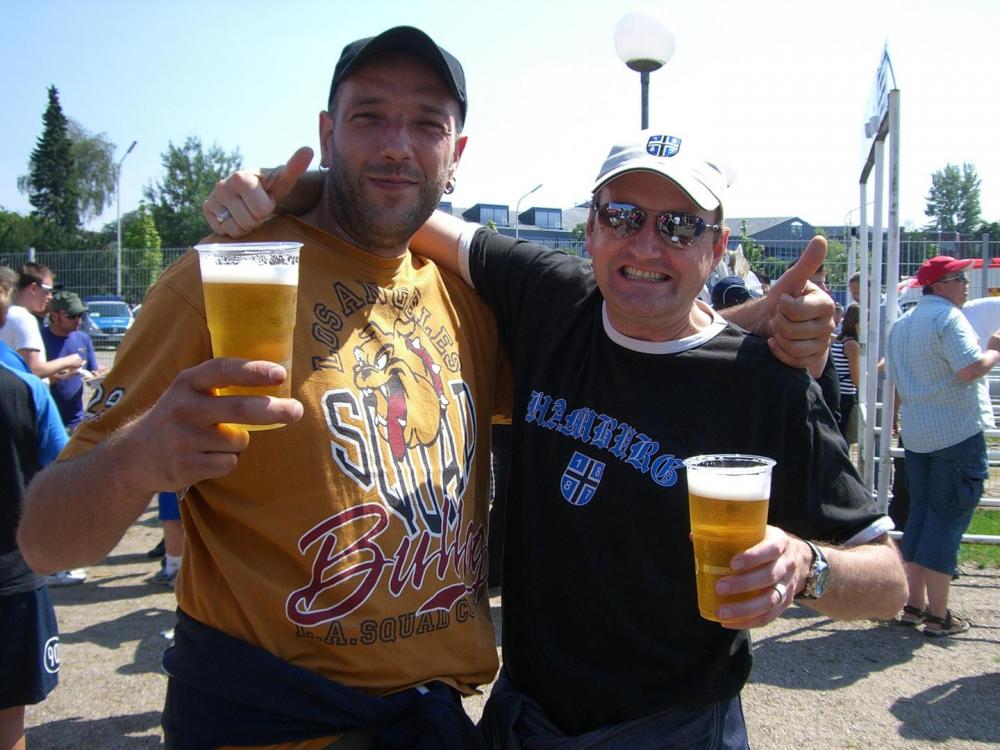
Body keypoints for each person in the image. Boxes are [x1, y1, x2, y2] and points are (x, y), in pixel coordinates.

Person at [23, 27, 834, 750]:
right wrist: (139, 461)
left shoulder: (465, 302)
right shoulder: (223, 278)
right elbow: (46, 543)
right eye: (369, 116)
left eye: (425, 123)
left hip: (439, 718)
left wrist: (741, 325)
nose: (396, 146)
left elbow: (620, 371)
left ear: (457, 153)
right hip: (271, 721)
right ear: (326, 133)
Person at [207, 130, 905, 747]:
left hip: (671, 728)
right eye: (623, 217)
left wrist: (807, 566)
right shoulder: (551, 298)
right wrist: (291, 189)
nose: (645, 245)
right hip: (524, 716)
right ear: (591, 230)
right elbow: (408, 212)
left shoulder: (763, 383)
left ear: (717, 246)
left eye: (680, 225)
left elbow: (889, 580)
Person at [886, 256, 997, 637]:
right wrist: (995, 350)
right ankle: (938, 613)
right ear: (942, 284)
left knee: (920, 515)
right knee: (946, 520)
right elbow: (969, 369)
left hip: (918, 434)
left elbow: (895, 379)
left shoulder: (901, 324)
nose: (966, 284)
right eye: (960, 278)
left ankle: (914, 604)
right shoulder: (949, 319)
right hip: (956, 431)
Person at [0, 264, 67, 750]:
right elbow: (61, 472)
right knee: (9, 723)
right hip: (10, 573)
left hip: (12, 576)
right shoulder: (24, 386)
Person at [0, 263, 84, 381]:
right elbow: (33, 370)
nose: (50, 297)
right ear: (33, 288)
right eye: (48, 290)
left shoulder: (6, 314)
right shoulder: (23, 318)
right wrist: (69, 361)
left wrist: (51, 376)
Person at [41, 292, 104, 433]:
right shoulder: (39, 339)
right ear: (55, 316)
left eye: (80, 315)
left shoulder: (83, 339)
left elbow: (92, 371)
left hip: (75, 419)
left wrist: (98, 375)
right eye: (71, 316)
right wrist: (59, 376)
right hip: (47, 418)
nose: (78, 320)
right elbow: (31, 377)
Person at [830, 303, 861, 441]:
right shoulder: (852, 345)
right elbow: (856, 380)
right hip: (846, 396)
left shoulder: (837, 340)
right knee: (843, 437)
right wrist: (878, 368)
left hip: (836, 392)